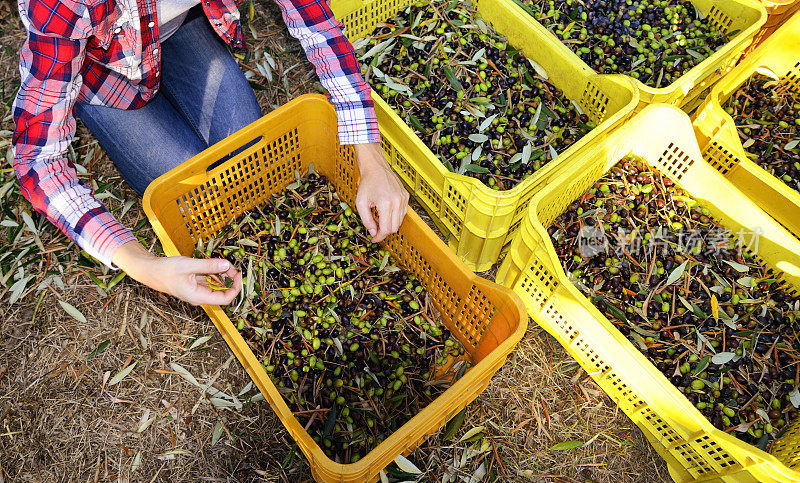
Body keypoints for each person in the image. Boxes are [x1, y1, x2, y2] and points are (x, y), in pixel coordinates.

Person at [12, 0, 409, 307]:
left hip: (177, 25)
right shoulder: (64, 3)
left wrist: (370, 156)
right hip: (103, 67)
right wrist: (144, 265)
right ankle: (74, 77)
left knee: (251, 153)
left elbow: (316, 23)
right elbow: (38, 160)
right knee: (188, 189)